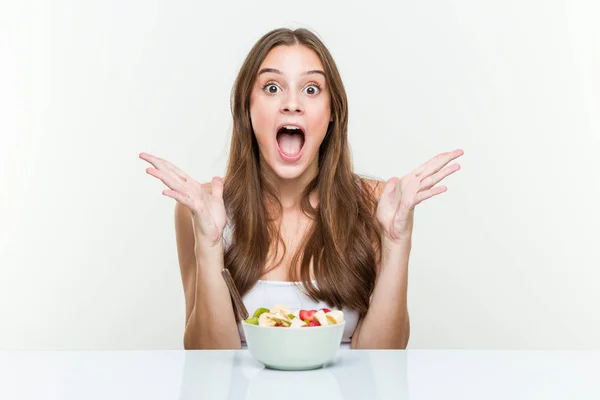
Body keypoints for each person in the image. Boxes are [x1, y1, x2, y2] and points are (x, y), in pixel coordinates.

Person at [139, 27, 463, 350]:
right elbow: (207, 360)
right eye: (272, 87)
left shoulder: (378, 204)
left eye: (311, 89)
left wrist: (396, 244)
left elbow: (382, 358)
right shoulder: (202, 207)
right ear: (247, 109)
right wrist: (210, 247)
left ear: (333, 111)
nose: (292, 103)